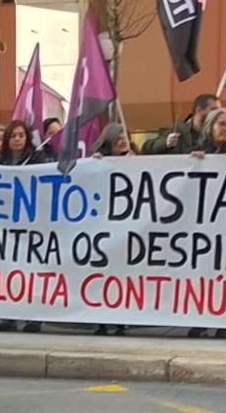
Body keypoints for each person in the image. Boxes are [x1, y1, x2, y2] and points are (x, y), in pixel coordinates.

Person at [0, 120, 49, 333]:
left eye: (21, 135)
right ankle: (9, 317)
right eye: (13, 135)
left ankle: (34, 318)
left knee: (32, 273)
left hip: (33, 227)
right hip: (6, 226)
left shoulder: (38, 159)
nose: (17, 139)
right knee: (8, 273)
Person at [186, 108, 226, 339]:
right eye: (221, 124)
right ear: (210, 127)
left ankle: (224, 320)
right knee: (201, 275)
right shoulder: (195, 151)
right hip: (200, 228)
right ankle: (199, 320)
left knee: (225, 275)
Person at [88, 122, 131, 336]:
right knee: (102, 276)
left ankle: (121, 321)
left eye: (126, 136)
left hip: (128, 230)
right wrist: (92, 164)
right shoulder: (97, 161)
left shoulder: (137, 161)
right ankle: (102, 321)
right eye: (119, 137)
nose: (123, 140)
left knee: (122, 276)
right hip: (102, 230)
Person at [144, 94, 221, 155]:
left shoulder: (217, 132)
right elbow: (147, 149)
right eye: (214, 110)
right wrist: (165, 143)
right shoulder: (179, 129)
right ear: (199, 110)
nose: (218, 113)